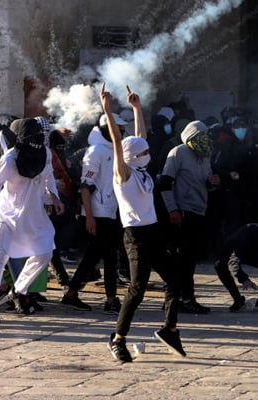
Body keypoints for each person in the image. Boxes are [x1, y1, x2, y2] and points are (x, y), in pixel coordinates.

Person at [101, 84, 184, 363]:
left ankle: (170, 329)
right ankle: (117, 338)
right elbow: (117, 141)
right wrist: (107, 110)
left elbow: (140, 139)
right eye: (144, 152)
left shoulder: (140, 167)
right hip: (135, 235)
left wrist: (137, 108)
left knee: (175, 279)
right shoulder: (123, 174)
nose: (149, 154)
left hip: (153, 231)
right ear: (133, 157)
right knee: (137, 289)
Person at [0, 118, 64, 323]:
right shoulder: (9, 160)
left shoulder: (44, 153)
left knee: (45, 253)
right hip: (8, 217)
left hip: (34, 216)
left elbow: (48, 178)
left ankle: (19, 289)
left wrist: (54, 197)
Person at [61, 114, 127, 313]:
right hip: (97, 213)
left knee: (99, 256)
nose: (121, 133)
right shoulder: (95, 151)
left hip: (112, 211)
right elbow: (85, 186)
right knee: (103, 256)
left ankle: (75, 293)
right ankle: (109, 298)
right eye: (118, 130)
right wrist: (88, 216)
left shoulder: (117, 150)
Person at [160, 120, 219, 314]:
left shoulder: (205, 155)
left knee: (190, 258)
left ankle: (183, 297)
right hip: (182, 211)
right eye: (202, 135)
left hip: (198, 210)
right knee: (180, 258)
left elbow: (206, 182)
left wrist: (212, 183)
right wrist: (172, 210)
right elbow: (166, 182)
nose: (206, 138)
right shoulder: (178, 153)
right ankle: (179, 298)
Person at [215, 223, 258, 312]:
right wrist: (244, 279)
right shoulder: (236, 245)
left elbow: (233, 262)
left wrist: (244, 279)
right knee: (219, 265)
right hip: (248, 244)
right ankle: (239, 300)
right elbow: (233, 262)